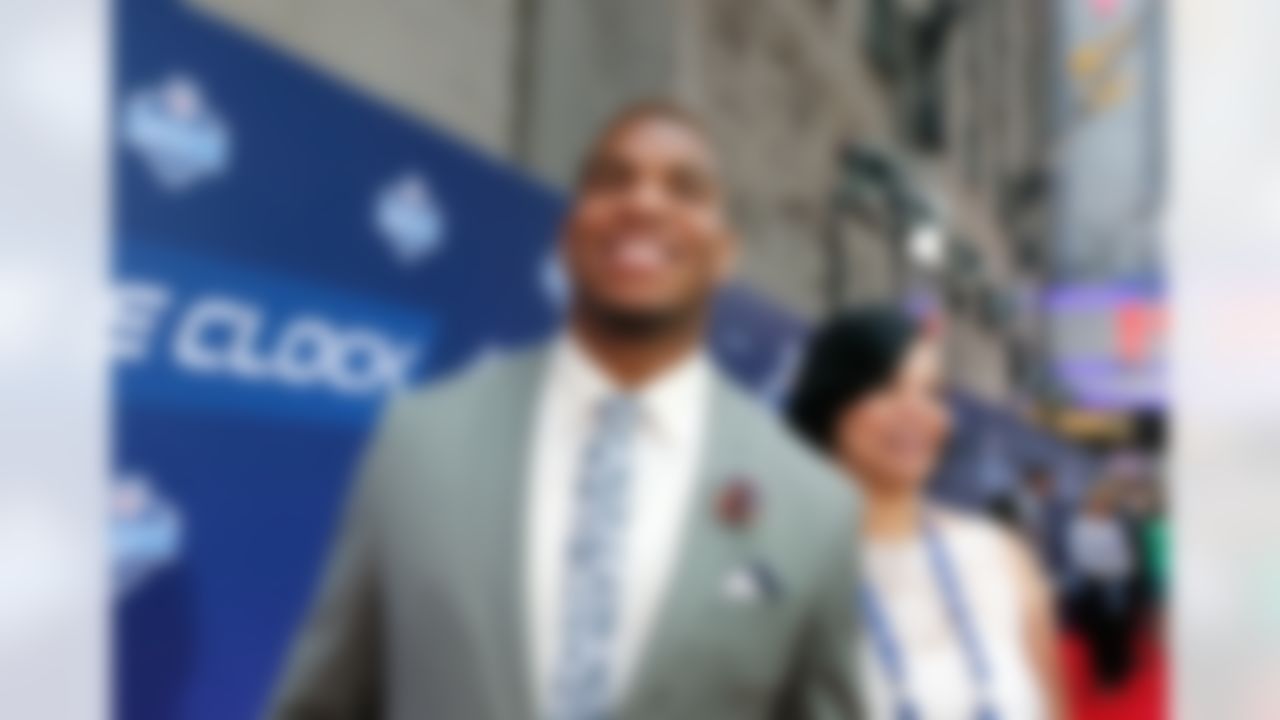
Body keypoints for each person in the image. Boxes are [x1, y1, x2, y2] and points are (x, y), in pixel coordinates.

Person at [267, 101, 863, 720]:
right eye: (612, 180)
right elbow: (323, 702)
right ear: (569, 233)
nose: (644, 203)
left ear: (725, 252)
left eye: (684, 189)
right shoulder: (418, 440)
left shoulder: (814, 505)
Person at [787, 306, 1065, 720]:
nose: (916, 412)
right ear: (831, 403)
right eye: (886, 387)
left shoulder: (1001, 557)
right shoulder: (782, 573)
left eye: (932, 393)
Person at [1067, 480, 1138, 690]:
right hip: (1094, 585)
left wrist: (1124, 570)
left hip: (1116, 583)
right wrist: (1110, 567)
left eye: (1107, 504)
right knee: (1098, 633)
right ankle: (1104, 672)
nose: (1104, 507)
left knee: (1118, 628)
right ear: (1091, 504)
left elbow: (1125, 556)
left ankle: (1118, 667)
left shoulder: (1113, 526)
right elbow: (1081, 557)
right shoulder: (1080, 527)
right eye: (1100, 503)